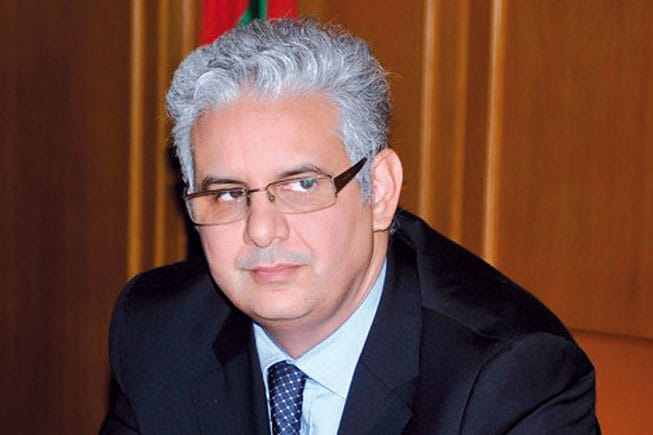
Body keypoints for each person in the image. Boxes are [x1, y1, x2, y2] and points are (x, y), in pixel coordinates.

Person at [101, 18, 600, 434]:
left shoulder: (510, 380)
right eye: (229, 193)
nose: (262, 230)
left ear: (378, 191)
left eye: (301, 185)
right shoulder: (158, 330)